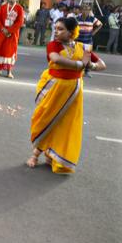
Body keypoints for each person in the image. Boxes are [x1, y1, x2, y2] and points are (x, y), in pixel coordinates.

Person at [27, 17, 106, 173]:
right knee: (46, 120)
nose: (56, 31)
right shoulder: (53, 45)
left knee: (65, 124)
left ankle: (50, 155)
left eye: (60, 29)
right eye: (55, 28)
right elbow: (56, 59)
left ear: (71, 32)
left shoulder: (83, 47)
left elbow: (102, 65)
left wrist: (90, 65)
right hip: (54, 88)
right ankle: (35, 154)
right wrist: (80, 65)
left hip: (74, 92)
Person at [0, 0, 24, 78]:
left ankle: (9, 71)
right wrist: (3, 29)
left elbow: (20, 22)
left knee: (10, 51)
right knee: (0, 49)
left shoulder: (19, 8)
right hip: (2, 32)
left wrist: (9, 31)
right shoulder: (3, 7)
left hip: (13, 34)